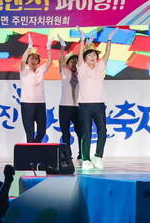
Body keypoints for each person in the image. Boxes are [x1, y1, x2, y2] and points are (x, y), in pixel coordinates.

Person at [76, 27, 116, 171]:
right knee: (86, 132)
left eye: (94, 55)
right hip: (85, 106)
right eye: (90, 55)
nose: (93, 57)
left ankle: (98, 156)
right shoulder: (82, 67)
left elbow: (107, 55)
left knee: (102, 131)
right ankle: (85, 159)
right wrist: (82, 40)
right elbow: (80, 54)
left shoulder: (100, 66)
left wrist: (109, 40)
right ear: (85, 58)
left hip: (99, 105)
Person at [19, 36, 52, 143]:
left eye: (36, 58)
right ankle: (30, 156)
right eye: (31, 58)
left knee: (42, 131)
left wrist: (48, 48)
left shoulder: (41, 69)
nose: (33, 60)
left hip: (40, 103)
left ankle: (34, 147)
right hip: (27, 104)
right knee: (29, 132)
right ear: (28, 60)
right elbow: (22, 60)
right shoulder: (24, 70)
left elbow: (50, 61)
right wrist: (29, 47)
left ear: (38, 61)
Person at [57, 35, 81, 166]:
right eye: (72, 62)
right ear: (68, 64)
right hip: (64, 107)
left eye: (76, 62)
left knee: (80, 133)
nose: (74, 64)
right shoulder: (64, 72)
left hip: (78, 107)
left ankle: (81, 155)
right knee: (65, 133)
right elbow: (60, 61)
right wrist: (62, 47)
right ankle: (68, 156)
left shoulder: (82, 74)